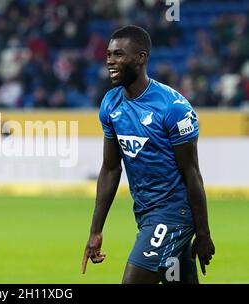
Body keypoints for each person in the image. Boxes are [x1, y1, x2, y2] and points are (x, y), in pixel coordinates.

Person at [81, 25, 215, 284]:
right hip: (145, 214)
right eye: (109, 54)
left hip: (174, 214)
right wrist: (96, 231)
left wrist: (204, 233)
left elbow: (192, 173)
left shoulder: (173, 108)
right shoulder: (110, 103)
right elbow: (110, 169)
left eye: (119, 54)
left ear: (141, 58)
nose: (110, 61)